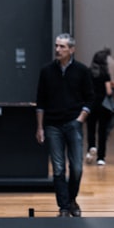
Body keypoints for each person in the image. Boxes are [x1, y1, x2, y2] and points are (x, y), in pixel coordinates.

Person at [35, 33, 93, 217]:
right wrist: (40, 127)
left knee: (77, 167)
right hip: (52, 125)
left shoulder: (82, 71)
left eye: (62, 47)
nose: (58, 50)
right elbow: (40, 101)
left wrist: (80, 119)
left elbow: (91, 98)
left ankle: (72, 199)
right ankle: (64, 207)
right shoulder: (46, 71)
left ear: (72, 49)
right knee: (58, 168)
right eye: (56, 46)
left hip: (73, 123)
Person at [84, 48, 114, 166]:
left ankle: (91, 148)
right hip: (103, 106)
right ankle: (101, 157)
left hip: (91, 104)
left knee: (90, 129)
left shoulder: (88, 72)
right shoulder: (105, 74)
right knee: (102, 132)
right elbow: (108, 91)